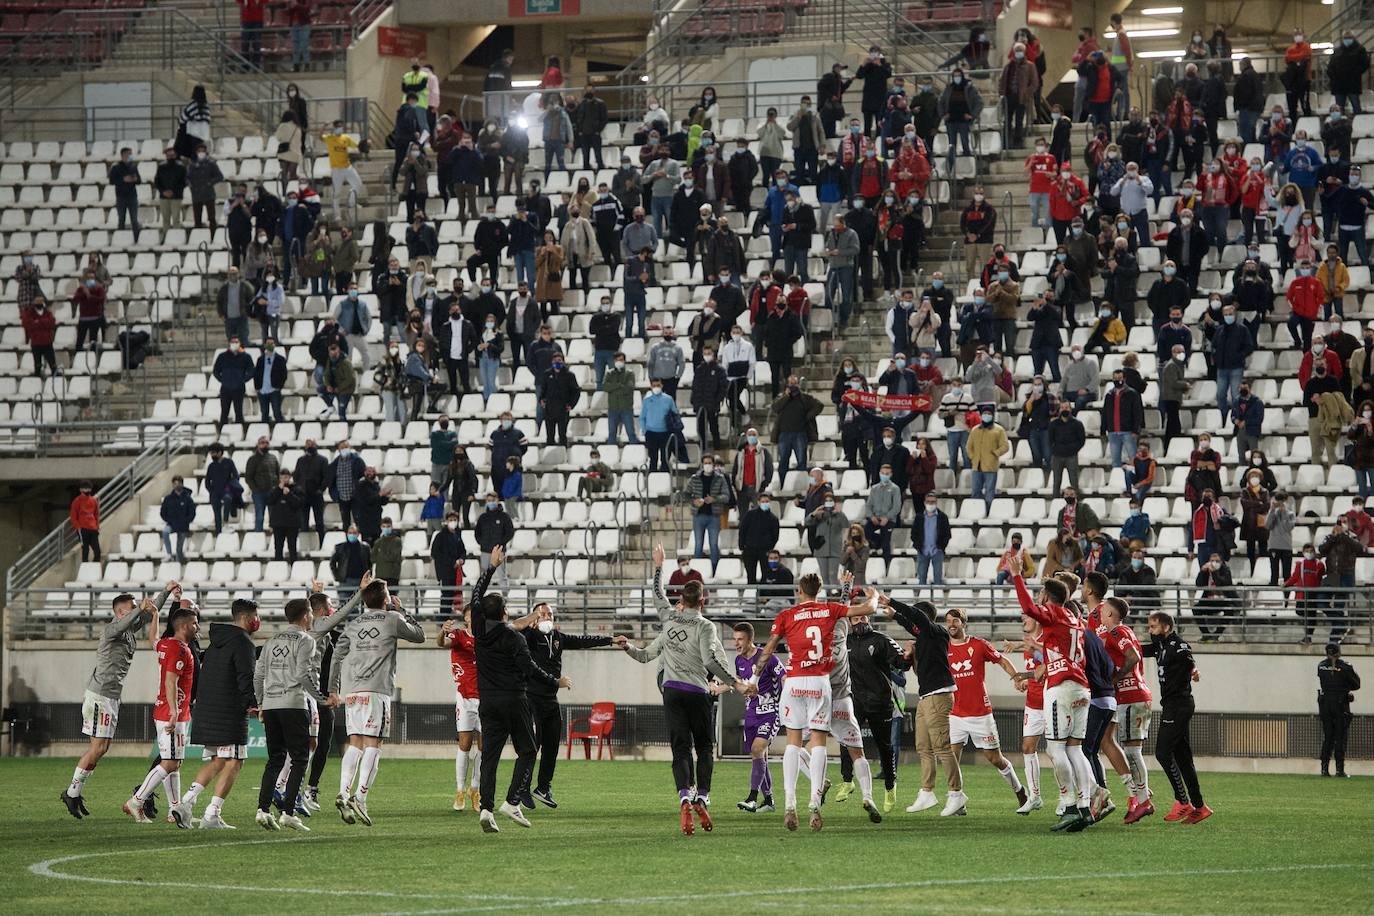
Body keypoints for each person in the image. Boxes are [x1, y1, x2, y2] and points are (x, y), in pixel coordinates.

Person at [620, 555, 744, 834]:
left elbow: (656, 595)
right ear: (703, 601)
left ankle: (684, 798)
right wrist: (735, 683)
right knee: (703, 748)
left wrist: (658, 565)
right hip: (697, 692)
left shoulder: (668, 620)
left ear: (682, 599)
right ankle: (702, 797)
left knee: (680, 749)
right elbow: (712, 662)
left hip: (671, 691)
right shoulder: (706, 627)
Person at [750, 573, 875, 832]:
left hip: (794, 681)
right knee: (819, 742)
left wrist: (754, 677)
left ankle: (789, 803)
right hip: (820, 682)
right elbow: (868, 608)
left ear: (799, 591)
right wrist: (872, 598)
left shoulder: (787, 615)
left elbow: (769, 648)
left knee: (793, 743)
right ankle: (814, 803)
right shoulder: (830, 610)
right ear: (819, 590)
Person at [60, 587, 169, 818]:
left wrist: (166, 592)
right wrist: (139, 607)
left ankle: (74, 792)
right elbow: (128, 620)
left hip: (109, 696)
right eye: (131, 607)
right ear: (121, 612)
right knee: (98, 747)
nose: (136, 611)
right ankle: (71, 792)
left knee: (101, 747)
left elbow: (148, 614)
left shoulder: (128, 631)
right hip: (100, 695)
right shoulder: (112, 629)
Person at [328, 579, 424, 827]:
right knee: (374, 743)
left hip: (352, 692)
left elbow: (337, 655)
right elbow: (420, 636)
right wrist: (400, 610)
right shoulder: (392, 619)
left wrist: (333, 689)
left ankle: (343, 791)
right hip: (376, 691)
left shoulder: (353, 624)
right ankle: (360, 797)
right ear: (385, 600)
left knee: (355, 742)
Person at [1011, 573, 1097, 832]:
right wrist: (1036, 648)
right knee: (1074, 749)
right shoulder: (1074, 619)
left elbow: (1028, 608)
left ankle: (1069, 807)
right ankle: (1084, 809)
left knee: (1055, 749)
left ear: (1048, 598)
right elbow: (1060, 651)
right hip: (1081, 686)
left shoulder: (1057, 613)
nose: (1038, 598)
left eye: (1041, 594)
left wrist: (1016, 576)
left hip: (1062, 687)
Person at [515, 602, 613, 808]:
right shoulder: (528, 637)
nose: (547, 617)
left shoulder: (558, 638)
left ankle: (543, 787)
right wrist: (528, 622)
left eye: (549, 614)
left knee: (551, 745)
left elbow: (583, 640)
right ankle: (521, 788)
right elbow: (516, 633)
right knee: (533, 746)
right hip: (531, 697)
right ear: (534, 618)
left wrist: (609, 639)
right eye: (542, 614)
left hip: (551, 699)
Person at [174, 599, 259, 829]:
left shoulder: (217, 641)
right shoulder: (243, 643)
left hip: (207, 710)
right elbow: (245, 680)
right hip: (229, 713)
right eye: (255, 616)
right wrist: (255, 705)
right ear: (246, 618)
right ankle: (212, 814)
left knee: (219, 760)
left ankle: (186, 803)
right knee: (235, 761)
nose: (257, 621)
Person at [944, 608, 1028, 811]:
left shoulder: (979, 645)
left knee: (994, 759)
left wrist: (1017, 677)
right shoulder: (943, 647)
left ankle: (1019, 790)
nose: (951, 625)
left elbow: (1002, 660)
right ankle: (957, 799)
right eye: (948, 621)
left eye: (956, 620)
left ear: (964, 623)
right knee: (951, 758)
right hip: (954, 714)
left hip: (980, 714)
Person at [1141, 610, 1211, 823]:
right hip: (1172, 705)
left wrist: (1194, 671)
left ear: (1166, 627)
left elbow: (1187, 658)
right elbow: (1139, 649)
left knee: (1163, 753)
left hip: (1178, 706)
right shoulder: (1160, 646)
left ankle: (1182, 801)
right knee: (1183, 758)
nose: (1150, 631)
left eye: (1153, 627)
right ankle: (1199, 806)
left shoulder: (1177, 645)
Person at [1318, 643, 1361, 778]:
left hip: (1325, 705)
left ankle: (1324, 769)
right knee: (1340, 738)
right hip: (1340, 705)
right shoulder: (1345, 666)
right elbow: (1356, 684)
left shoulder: (1320, 666)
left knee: (1328, 737)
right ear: (1338, 652)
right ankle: (1339, 770)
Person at [687, 456, 729, 572]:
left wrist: (714, 499)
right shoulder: (695, 478)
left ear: (713, 464)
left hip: (714, 516)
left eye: (709, 463)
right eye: (705, 463)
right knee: (698, 545)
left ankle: (715, 570)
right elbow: (686, 494)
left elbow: (726, 496)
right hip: (698, 516)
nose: (707, 465)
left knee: (714, 545)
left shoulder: (720, 478)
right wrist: (694, 501)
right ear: (702, 464)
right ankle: (697, 571)